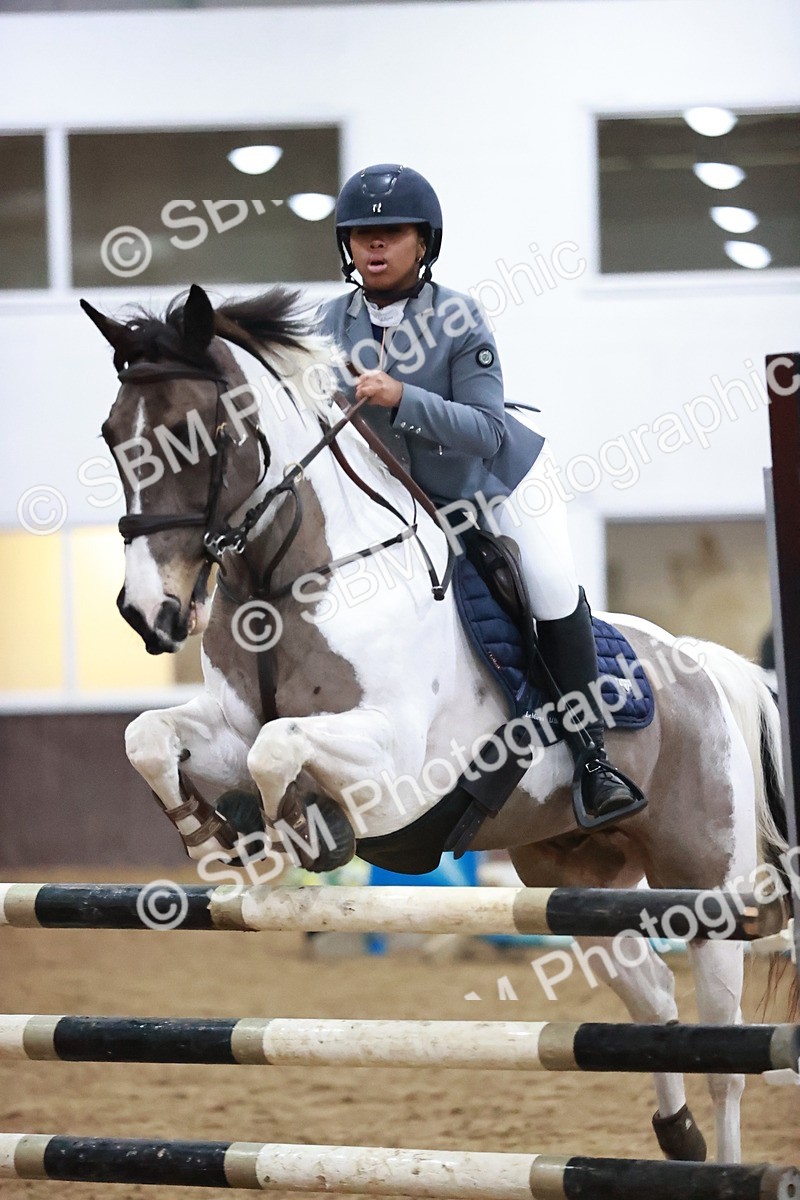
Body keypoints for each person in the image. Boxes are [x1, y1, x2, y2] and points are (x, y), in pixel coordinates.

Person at [319, 163, 644, 824]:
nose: (373, 245)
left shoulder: (459, 315)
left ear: (423, 241)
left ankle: (592, 761)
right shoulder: (328, 322)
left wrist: (401, 397)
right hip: (405, 509)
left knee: (550, 585)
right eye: (360, 234)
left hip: (495, 488)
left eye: (390, 232)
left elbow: (488, 431)